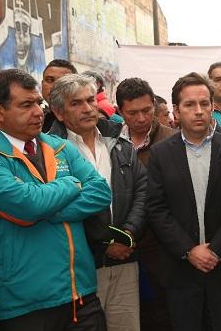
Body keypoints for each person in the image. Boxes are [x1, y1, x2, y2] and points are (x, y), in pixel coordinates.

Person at [0, 69, 111, 330]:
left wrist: (48, 211)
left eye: (38, 103)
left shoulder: (59, 146)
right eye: (26, 105)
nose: (37, 112)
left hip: (81, 293)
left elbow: (101, 192)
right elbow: (27, 204)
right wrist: (71, 183)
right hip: (23, 303)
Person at [146, 72, 221, 331]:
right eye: (190, 105)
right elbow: (157, 209)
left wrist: (216, 250)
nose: (199, 111)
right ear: (176, 111)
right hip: (181, 270)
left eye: (204, 103)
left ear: (212, 106)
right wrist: (189, 250)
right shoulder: (160, 153)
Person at [47, 74, 147, 331]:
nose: (87, 108)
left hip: (125, 259)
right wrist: (104, 246)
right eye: (76, 103)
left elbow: (142, 191)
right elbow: (59, 207)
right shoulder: (50, 152)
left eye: (90, 100)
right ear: (59, 113)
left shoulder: (120, 143)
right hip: (80, 266)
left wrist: (127, 235)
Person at [115, 77, 175, 331]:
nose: (141, 118)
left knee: (161, 315)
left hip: (160, 247)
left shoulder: (174, 141)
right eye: (132, 113)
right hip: (119, 246)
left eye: (147, 110)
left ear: (154, 104)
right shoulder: (109, 141)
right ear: (119, 112)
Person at [41, 59, 77, 132]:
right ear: (42, 84)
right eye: (50, 80)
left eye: (63, 81)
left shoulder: (84, 120)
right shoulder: (38, 119)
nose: (55, 86)